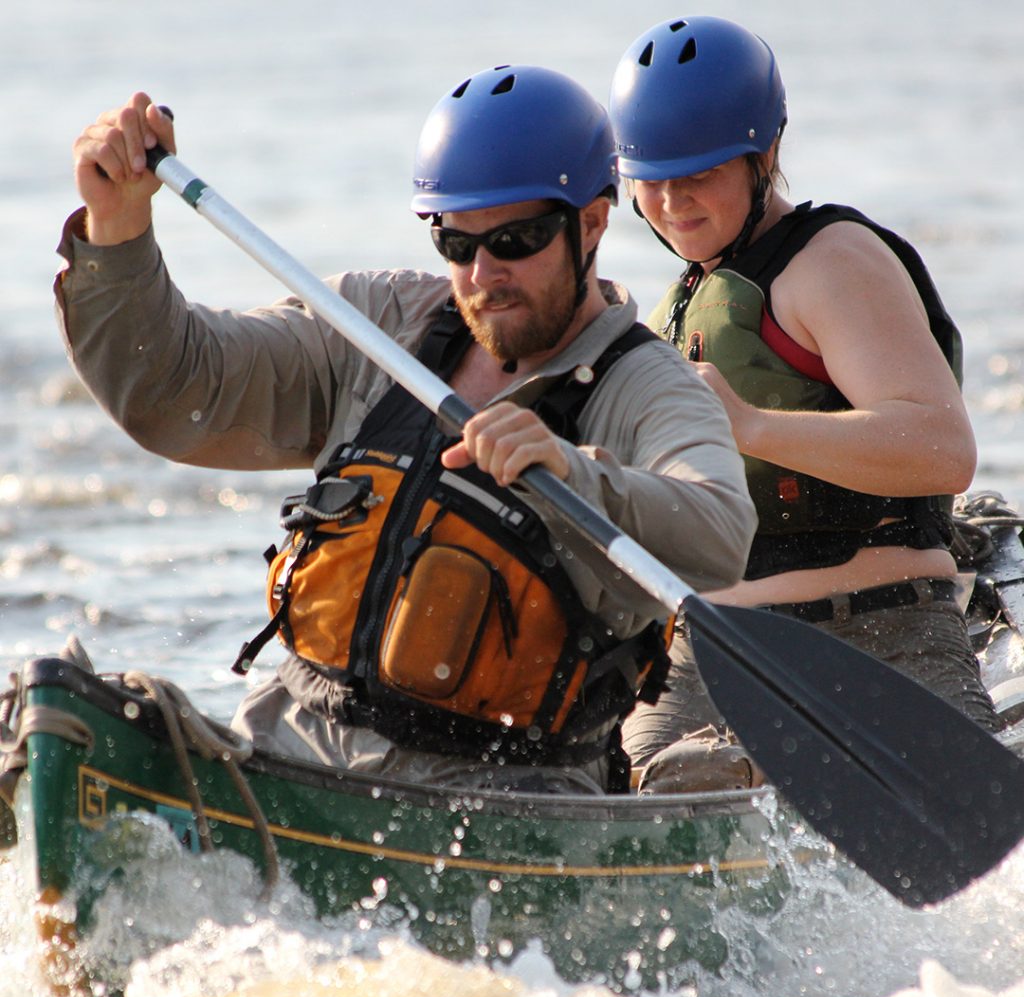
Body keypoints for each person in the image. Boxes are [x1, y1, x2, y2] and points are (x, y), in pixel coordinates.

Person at [56, 67, 757, 795]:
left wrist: (575, 471)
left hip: (505, 798)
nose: (484, 272)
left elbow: (720, 532)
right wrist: (119, 230)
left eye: (516, 239)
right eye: (456, 243)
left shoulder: (651, 388)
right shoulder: (377, 323)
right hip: (291, 750)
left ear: (591, 223)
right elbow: (173, 392)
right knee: (57, 707)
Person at [608, 16, 1000, 792]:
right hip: (711, 658)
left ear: (766, 156)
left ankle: (776, 770)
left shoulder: (834, 261)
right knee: (611, 780)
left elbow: (943, 450)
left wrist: (752, 427)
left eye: (700, 173)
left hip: (876, 636)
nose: (671, 200)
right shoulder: (677, 307)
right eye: (649, 178)